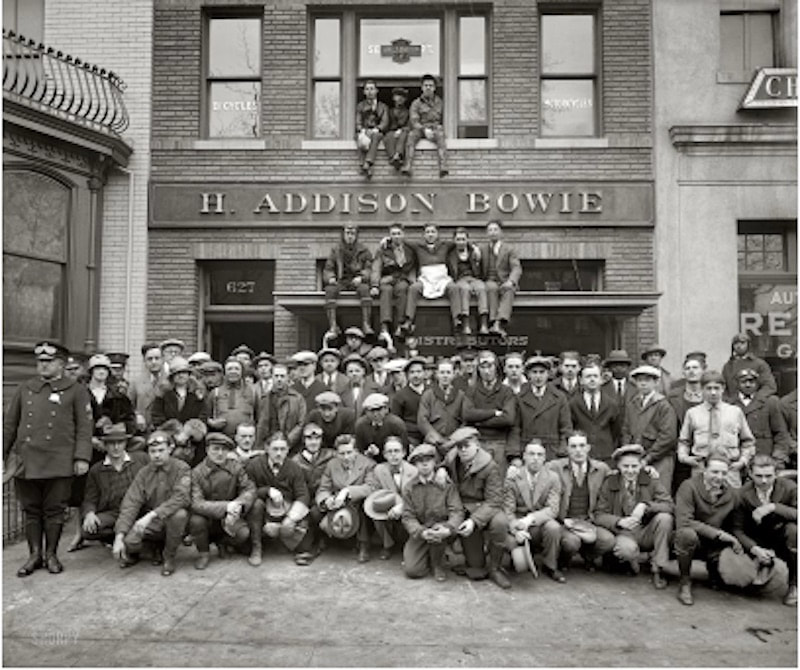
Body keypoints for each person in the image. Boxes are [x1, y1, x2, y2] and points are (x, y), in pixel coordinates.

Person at [3, 342, 93, 577]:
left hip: (59, 461)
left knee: (54, 510)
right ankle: (34, 555)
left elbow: (85, 427)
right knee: (31, 510)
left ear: (62, 364)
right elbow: (10, 425)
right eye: (40, 361)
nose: (42, 365)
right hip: (27, 461)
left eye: (48, 361)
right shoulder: (26, 388)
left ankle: (51, 555)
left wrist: (82, 456)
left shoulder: (75, 390)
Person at [112, 430, 191, 576]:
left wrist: (151, 515)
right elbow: (131, 503)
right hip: (153, 523)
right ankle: (151, 548)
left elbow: (181, 498)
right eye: (152, 451)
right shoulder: (144, 473)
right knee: (129, 543)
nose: (157, 455)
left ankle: (169, 557)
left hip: (174, 521)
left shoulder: (182, 468)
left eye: (161, 450)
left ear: (170, 448)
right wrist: (119, 536)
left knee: (179, 515)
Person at [595, 444, 674, 589]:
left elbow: (669, 505)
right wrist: (619, 521)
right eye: (625, 466)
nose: (630, 471)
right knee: (626, 550)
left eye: (634, 466)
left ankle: (658, 569)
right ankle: (629, 560)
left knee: (665, 518)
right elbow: (599, 515)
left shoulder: (650, 480)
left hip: (645, 530)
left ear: (641, 465)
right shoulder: (610, 482)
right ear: (618, 466)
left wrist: (646, 505)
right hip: (624, 533)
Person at [443, 426, 511, 589]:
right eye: (459, 446)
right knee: (477, 569)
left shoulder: (490, 466)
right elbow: (441, 463)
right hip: (462, 507)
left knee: (500, 523)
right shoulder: (452, 458)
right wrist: (441, 469)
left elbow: (494, 500)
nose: (463, 450)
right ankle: (472, 560)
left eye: (467, 445)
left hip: (485, 507)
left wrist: (474, 521)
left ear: (477, 445)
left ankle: (495, 567)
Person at [673, 452, 744, 606]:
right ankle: (685, 581)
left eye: (724, 473)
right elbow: (684, 521)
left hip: (714, 544)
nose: (719, 477)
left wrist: (738, 543)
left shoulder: (732, 494)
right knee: (687, 535)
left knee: (736, 577)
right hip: (690, 539)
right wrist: (718, 534)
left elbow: (736, 525)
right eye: (714, 472)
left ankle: (714, 571)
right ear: (704, 470)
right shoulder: (689, 486)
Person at [69, 423, 149, 552]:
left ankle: (139, 542)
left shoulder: (140, 459)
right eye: (111, 443)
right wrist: (89, 513)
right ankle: (118, 538)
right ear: (105, 445)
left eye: (120, 442)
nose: (116, 447)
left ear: (125, 443)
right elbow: (90, 497)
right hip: (114, 513)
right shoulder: (97, 470)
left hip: (139, 510)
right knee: (88, 530)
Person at [732, 454, 797, 606]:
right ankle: (762, 564)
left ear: (776, 473)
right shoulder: (741, 494)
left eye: (769, 476)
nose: (764, 481)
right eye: (758, 476)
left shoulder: (789, 488)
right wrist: (754, 549)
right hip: (756, 538)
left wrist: (773, 507)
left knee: (794, 531)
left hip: (782, 536)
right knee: (740, 584)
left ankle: (795, 584)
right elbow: (737, 529)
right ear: (750, 474)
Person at [547, 431, 615, 573]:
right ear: (567, 449)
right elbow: (535, 471)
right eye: (573, 446)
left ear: (588, 448)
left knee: (608, 541)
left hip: (589, 521)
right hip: (565, 522)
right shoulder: (555, 467)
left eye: (582, 445)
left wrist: (647, 470)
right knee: (572, 543)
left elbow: (619, 478)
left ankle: (588, 556)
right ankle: (563, 559)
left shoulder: (601, 469)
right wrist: (515, 470)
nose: (578, 450)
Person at [678, 370, 756, 488]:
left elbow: (748, 442)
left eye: (716, 388)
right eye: (708, 388)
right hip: (701, 468)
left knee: (732, 502)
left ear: (723, 388)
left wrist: (742, 461)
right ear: (702, 389)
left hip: (730, 468)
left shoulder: (735, 412)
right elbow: (683, 441)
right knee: (702, 501)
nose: (713, 392)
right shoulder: (692, 413)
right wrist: (684, 458)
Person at [189, 433, 256, 570]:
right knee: (196, 521)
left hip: (231, 517)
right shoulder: (197, 472)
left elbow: (249, 489)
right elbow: (196, 503)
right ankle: (203, 553)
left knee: (244, 533)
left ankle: (224, 543)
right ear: (207, 450)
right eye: (215, 449)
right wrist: (227, 506)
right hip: (208, 518)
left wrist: (238, 505)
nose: (220, 453)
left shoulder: (235, 467)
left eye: (224, 450)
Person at [245, 433, 311, 566]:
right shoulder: (254, 465)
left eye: (283, 449)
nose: (279, 453)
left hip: (286, 510)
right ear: (267, 448)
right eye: (275, 449)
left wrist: (291, 519)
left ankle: (287, 539)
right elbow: (247, 491)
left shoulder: (294, 467)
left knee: (304, 538)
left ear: (288, 450)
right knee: (256, 505)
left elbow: (303, 495)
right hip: (261, 513)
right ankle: (257, 548)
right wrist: (267, 490)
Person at [503, 440, 564, 583]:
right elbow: (507, 510)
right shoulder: (513, 478)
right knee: (516, 557)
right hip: (517, 525)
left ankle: (550, 566)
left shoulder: (553, 478)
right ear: (524, 456)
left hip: (537, 523)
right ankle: (514, 555)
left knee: (553, 527)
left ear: (544, 458)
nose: (535, 458)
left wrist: (529, 520)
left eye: (539, 454)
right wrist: (515, 530)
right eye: (531, 454)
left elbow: (552, 509)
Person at [401, 443, 464, 581]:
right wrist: (421, 532)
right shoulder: (409, 488)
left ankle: (438, 564)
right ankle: (429, 555)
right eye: (420, 462)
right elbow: (407, 516)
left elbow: (457, 511)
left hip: (441, 529)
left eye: (428, 460)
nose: (424, 465)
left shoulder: (446, 485)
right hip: (422, 530)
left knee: (438, 533)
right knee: (413, 571)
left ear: (434, 462)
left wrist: (448, 528)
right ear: (415, 465)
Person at [316, 434, 376, 562]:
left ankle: (364, 545)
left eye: (349, 452)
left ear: (356, 451)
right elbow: (323, 489)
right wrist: (327, 500)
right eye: (342, 453)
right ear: (336, 454)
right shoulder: (332, 465)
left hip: (357, 502)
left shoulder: (368, 464)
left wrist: (348, 491)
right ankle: (322, 541)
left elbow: (371, 487)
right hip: (338, 504)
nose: (346, 457)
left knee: (366, 506)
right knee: (315, 511)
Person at [620, 365, 678, 492]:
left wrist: (648, 458)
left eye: (647, 380)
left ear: (656, 382)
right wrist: (629, 453)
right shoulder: (632, 404)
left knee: (659, 493)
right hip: (636, 460)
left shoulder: (663, 405)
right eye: (640, 380)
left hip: (660, 459)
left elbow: (668, 437)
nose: (643, 383)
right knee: (638, 494)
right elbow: (626, 430)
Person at [398, 224, 461, 335]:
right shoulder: (418, 246)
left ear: (437, 234)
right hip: (426, 278)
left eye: (433, 232)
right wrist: (387, 239)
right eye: (428, 232)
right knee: (413, 288)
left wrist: (473, 246)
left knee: (453, 288)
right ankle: (408, 321)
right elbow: (403, 241)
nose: (430, 234)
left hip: (442, 277)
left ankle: (457, 319)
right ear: (423, 235)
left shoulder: (445, 245)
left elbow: (460, 242)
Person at [463, 350, 517, 474]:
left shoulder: (506, 391)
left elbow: (508, 419)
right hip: (477, 443)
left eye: (490, 366)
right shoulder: (471, 391)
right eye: (483, 367)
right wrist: (493, 412)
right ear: (478, 369)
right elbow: (467, 414)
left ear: (496, 367)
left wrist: (478, 421)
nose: (487, 371)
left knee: (498, 480)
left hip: (500, 444)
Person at [365, 436, 418, 559]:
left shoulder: (414, 471)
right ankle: (387, 545)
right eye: (390, 452)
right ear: (384, 454)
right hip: (388, 506)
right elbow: (375, 492)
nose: (393, 455)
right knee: (374, 511)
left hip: (409, 507)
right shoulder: (379, 470)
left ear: (404, 453)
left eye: (397, 451)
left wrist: (402, 506)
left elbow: (417, 497)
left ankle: (410, 544)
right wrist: (385, 504)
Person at [727, 368, 791, 468]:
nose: (748, 385)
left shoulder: (770, 402)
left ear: (757, 383)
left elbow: (781, 433)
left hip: (764, 459)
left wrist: (778, 458)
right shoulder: (728, 403)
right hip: (737, 460)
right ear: (737, 383)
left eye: (751, 381)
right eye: (743, 382)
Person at [292, 422, 337, 563]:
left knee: (316, 512)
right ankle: (309, 545)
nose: (313, 442)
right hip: (304, 498)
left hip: (326, 498)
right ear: (303, 440)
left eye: (317, 438)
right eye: (309, 438)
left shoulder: (330, 455)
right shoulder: (295, 461)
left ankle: (311, 548)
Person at [513, 356, 573, 462]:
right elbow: (515, 428)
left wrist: (562, 452)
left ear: (548, 374)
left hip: (552, 452)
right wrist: (515, 456)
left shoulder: (559, 397)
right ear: (528, 375)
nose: (538, 376)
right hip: (528, 451)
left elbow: (566, 428)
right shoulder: (520, 398)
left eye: (542, 372)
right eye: (534, 372)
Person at [151, 357, 209, 462]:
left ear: (189, 375)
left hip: (194, 444)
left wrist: (188, 433)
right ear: (172, 376)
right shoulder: (163, 395)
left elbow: (203, 416)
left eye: (184, 372)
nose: (181, 375)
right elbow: (157, 417)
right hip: (169, 442)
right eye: (177, 373)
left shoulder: (197, 395)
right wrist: (174, 434)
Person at [323, 223, 374, 336]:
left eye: (352, 233)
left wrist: (361, 277)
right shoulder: (336, 250)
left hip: (357, 281)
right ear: (343, 234)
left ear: (356, 235)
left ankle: (366, 324)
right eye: (347, 233)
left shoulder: (364, 250)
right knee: (330, 291)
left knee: (365, 290)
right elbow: (328, 268)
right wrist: (331, 277)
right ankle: (333, 325)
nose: (350, 236)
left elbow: (369, 268)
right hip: (341, 281)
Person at [370, 223, 418, 339]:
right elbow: (376, 267)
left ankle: (400, 325)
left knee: (402, 289)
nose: (396, 236)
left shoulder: (410, 249)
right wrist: (375, 285)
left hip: (402, 278)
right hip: (387, 279)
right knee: (386, 291)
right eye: (393, 234)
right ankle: (385, 326)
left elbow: (414, 266)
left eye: (398, 233)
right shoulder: (383, 249)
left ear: (403, 235)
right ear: (390, 235)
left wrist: (414, 281)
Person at [568, 362, 621, 464]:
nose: (592, 379)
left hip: (606, 455)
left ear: (601, 379)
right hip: (581, 456)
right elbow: (571, 428)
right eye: (588, 376)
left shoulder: (611, 404)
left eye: (595, 376)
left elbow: (616, 431)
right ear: (581, 380)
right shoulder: (573, 404)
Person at [480, 220, 521, 338]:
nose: (493, 233)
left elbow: (516, 268)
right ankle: (493, 321)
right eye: (490, 230)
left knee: (509, 290)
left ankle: (499, 323)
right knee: (491, 287)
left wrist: (511, 281)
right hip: (490, 281)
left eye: (495, 230)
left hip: (505, 281)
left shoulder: (509, 249)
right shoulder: (482, 249)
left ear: (501, 232)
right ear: (487, 233)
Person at [402, 73, 448, 178]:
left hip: (435, 128)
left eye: (431, 86)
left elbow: (445, 118)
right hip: (420, 128)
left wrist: (438, 128)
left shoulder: (440, 103)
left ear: (435, 88)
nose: (428, 88)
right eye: (426, 85)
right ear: (422, 88)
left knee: (441, 136)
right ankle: (407, 165)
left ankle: (443, 166)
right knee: (411, 136)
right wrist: (424, 130)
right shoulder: (416, 103)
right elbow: (414, 121)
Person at [418, 359, 466, 454]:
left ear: (453, 375)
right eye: (442, 372)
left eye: (448, 372)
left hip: (454, 444)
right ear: (437, 374)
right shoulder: (428, 395)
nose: (445, 376)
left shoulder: (461, 395)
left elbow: (465, 420)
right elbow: (422, 420)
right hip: (432, 443)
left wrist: (453, 440)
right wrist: (438, 439)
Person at [446, 227, 488, 335]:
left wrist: (477, 252)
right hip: (460, 279)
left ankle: (483, 324)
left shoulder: (474, 251)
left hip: (474, 278)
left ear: (467, 240)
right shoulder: (450, 254)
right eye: (458, 239)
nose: (461, 242)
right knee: (465, 289)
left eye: (463, 239)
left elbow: (482, 268)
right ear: (454, 240)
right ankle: (466, 324)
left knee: (481, 287)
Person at [257, 363, 306, 452]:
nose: (279, 379)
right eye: (276, 376)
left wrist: (287, 442)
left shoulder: (297, 398)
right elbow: (260, 424)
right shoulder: (264, 399)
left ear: (288, 378)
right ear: (272, 377)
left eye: (282, 376)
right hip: (268, 447)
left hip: (292, 447)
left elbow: (301, 423)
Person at [207, 357, 258, 440]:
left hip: (246, 440)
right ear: (224, 372)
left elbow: (260, 419)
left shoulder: (253, 392)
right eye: (230, 369)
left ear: (242, 372)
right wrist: (212, 423)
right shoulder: (215, 392)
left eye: (237, 369)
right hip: (221, 440)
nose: (233, 371)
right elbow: (205, 417)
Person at [722, 333, 777, 400]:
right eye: (736, 343)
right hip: (733, 403)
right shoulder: (728, 366)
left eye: (742, 343)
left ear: (748, 345)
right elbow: (723, 387)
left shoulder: (759, 364)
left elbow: (769, 386)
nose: (739, 346)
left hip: (755, 404)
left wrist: (755, 399)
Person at [354, 393, 408, 461]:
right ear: (366, 412)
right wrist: (367, 453)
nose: (375, 414)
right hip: (368, 461)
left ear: (386, 409)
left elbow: (404, 450)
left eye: (379, 410)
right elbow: (359, 449)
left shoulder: (396, 424)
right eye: (371, 411)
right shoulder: (360, 425)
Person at [355, 79, 388, 179]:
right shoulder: (360, 106)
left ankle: (368, 162)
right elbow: (358, 121)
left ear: (376, 91)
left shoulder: (383, 107)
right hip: (364, 130)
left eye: (372, 89)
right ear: (364, 92)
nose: (369, 91)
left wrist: (376, 129)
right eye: (367, 89)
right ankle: (364, 165)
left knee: (376, 136)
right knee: (359, 138)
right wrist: (362, 130)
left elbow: (385, 122)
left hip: (376, 132)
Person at [390, 357, 427, 445]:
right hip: (410, 438)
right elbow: (396, 422)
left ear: (425, 373)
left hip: (431, 436)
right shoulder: (400, 396)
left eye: (419, 372)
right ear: (407, 375)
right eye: (412, 372)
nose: (416, 375)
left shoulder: (432, 392)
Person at [384, 86, 410, 169]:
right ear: (393, 98)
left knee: (404, 134)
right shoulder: (389, 111)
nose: (400, 99)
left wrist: (401, 130)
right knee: (388, 136)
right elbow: (386, 124)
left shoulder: (408, 112)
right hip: (391, 131)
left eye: (402, 97)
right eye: (398, 96)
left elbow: (410, 125)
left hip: (403, 132)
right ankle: (393, 157)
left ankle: (398, 154)